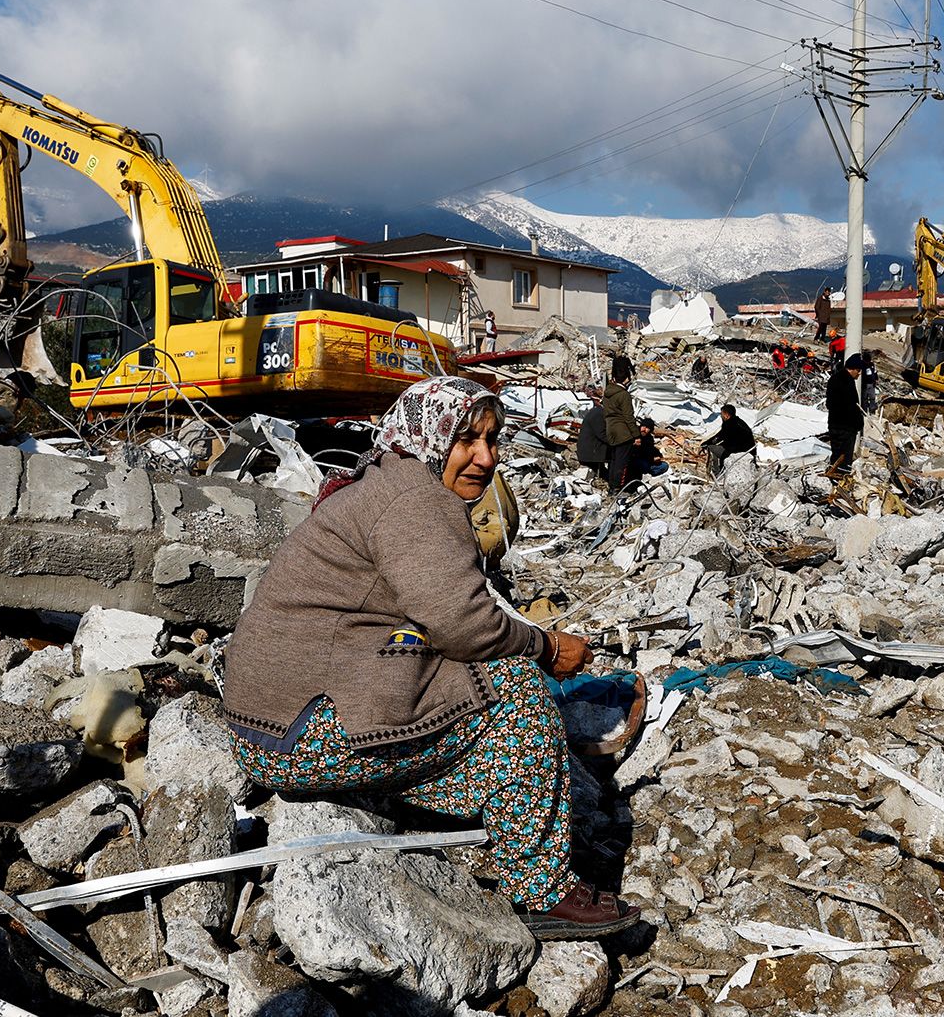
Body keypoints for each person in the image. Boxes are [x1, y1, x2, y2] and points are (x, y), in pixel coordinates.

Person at [222, 377, 638, 939]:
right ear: (432, 435)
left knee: (455, 689)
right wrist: (546, 647)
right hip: (299, 731)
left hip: (268, 725)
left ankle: (503, 812)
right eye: (468, 439)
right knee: (513, 689)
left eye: (493, 440)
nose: (485, 457)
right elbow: (464, 626)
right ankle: (540, 890)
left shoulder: (386, 481)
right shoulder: (416, 501)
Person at [602, 357, 639, 491]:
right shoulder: (624, 395)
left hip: (610, 429)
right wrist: (636, 435)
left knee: (614, 461)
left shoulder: (607, 393)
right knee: (622, 463)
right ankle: (618, 488)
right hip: (623, 432)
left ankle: (612, 486)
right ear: (626, 378)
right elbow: (628, 417)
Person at [826, 354, 864, 477]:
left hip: (834, 425)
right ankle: (841, 479)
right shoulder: (847, 382)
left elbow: (829, 403)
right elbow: (852, 406)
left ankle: (833, 476)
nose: (859, 374)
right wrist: (858, 423)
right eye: (858, 371)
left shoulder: (834, 378)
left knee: (836, 454)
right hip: (846, 428)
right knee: (845, 457)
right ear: (852, 368)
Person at [702, 403, 756, 475]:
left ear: (726, 415)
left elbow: (719, 437)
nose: (721, 416)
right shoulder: (740, 422)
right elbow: (722, 436)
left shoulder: (729, 424)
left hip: (738, 453)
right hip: (750, 453)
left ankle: (717, 473)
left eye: (722, 414)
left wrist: (707, 444)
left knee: (711, 448)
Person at [576, 390, 608, 482]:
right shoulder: (599, 413)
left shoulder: (597, 412)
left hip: (591, 449)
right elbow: (601, 434)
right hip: (591, 451)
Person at [625, 417, 669, 483]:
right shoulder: (634, 435)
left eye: (647, 428)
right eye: (643, 426)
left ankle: (648, 474)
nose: (644, 429)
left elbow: (651, 449)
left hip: (646, 461)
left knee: (664, 465)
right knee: (643, 464)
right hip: (632, 461)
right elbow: (638, 452)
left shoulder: (649, 439)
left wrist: (658, 455)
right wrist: (651, 459)